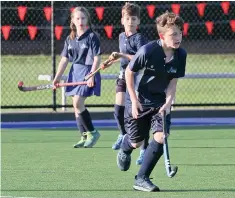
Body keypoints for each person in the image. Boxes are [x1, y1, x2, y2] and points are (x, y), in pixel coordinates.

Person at [116, 11, 187, 192]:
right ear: (162, 36)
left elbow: (173, 81)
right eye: (173, 34)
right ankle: (126, 146)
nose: (178, 37)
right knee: (137, 142)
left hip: (159, 102)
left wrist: (169, 102)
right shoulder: (148, 50)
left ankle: (141, 178)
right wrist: (132, 99)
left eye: (179, 32)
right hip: (138, 100)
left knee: (161, 137)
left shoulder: (181, 55)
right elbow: (129, 73)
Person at [105, 3, 149, 165]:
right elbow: (121, 58)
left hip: (137, 79)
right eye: (127, 18)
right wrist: (109, 61)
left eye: (134, 18)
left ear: (138, 22)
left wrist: (121, 55)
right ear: (122, 20)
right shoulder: (121, 36)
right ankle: (123, 134)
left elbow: (140, 59)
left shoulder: (139, 39)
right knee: (118, 110)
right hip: (123, 76)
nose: (130, 21)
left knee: (139, 115)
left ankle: (143, 150)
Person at [53, 7, 101, 148]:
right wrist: (57, 78)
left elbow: (97, 58)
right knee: (76, 106)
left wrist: (91, 75)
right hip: (75, 72)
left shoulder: (92, 37)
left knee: (78, 103)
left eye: (83, 18)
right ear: (73, 21)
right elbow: (64, 60)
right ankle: (84, 135)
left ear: (87, 20)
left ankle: (93, 132)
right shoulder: (70, 38)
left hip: (88, 71)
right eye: (78, 18)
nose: (80, 21)